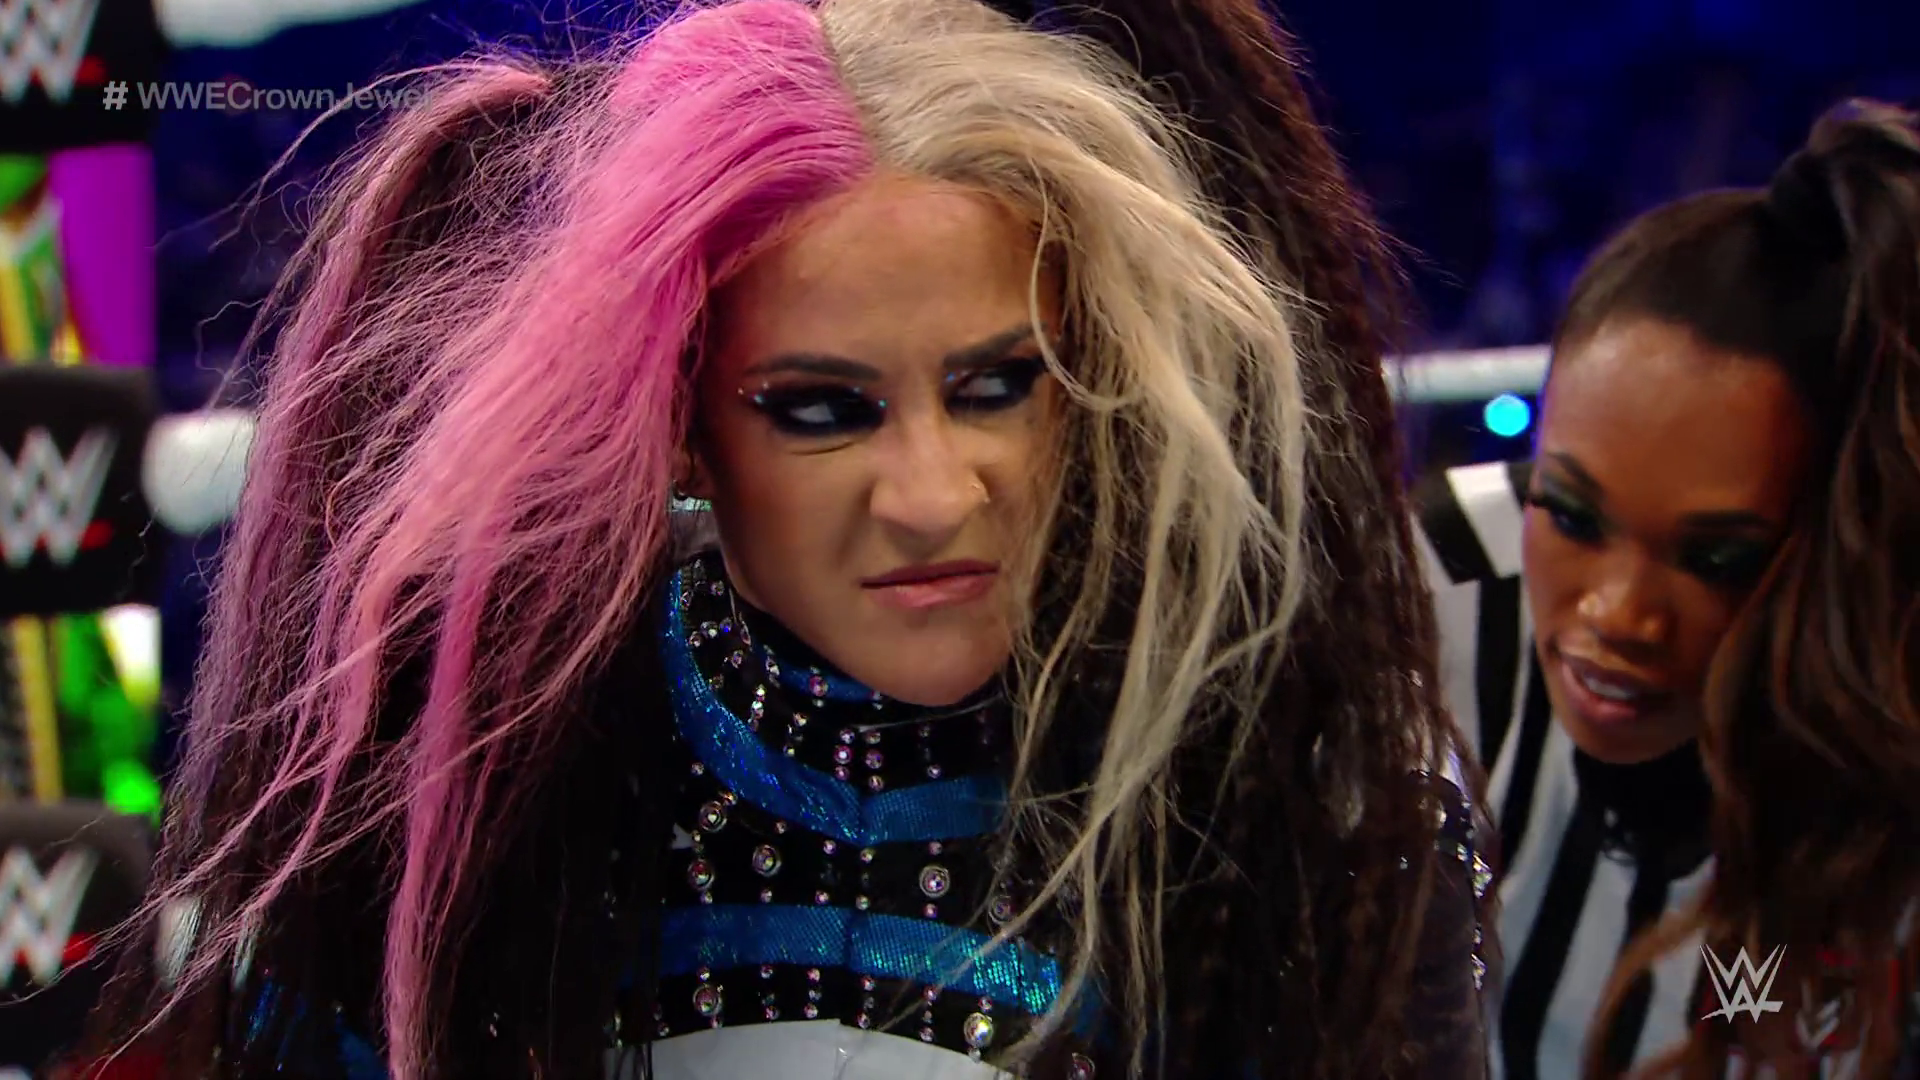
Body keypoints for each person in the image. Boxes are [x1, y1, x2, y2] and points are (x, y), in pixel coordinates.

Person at [84, 0, 1494, 1076]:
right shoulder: (470, 775)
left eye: (999, 386)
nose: (932, 496)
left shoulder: (1289, 782)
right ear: (681, 426)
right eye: (821, 411)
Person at [1418, 99, 1920, 1079]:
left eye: (1715, 558)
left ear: (1838, 552)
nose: (1620, 615)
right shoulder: (1441, 581)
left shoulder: (1881, 754)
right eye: (1571, 512)